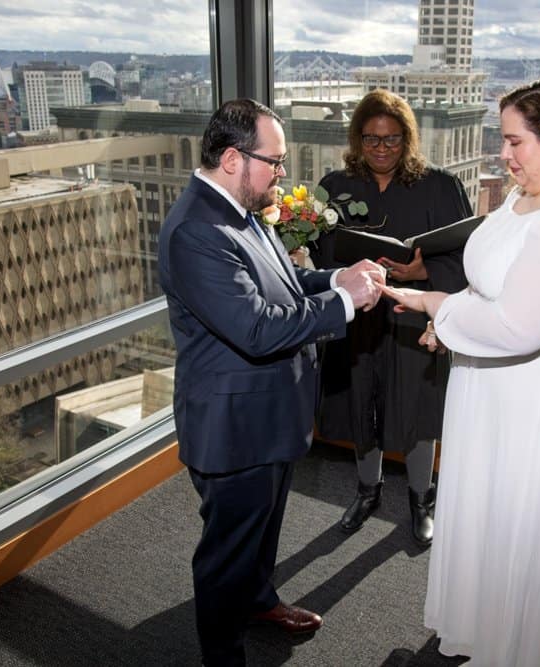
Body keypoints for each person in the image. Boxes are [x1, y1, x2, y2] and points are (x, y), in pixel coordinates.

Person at [381, 77, 540, 665]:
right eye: (502, 140)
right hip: (494, 386)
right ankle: (484, 634)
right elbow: (495, 287)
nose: (504, 155)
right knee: (491, 520)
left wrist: (436, 307)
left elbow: (519, 326)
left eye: (517, 143)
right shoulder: (521, 199)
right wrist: (457, 321)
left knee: (526, 533)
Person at [157, 98, 385, 667]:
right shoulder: (196, 230)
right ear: (233, 158)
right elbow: (257, 328)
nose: (283, 174)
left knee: (262, 533)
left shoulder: (239, 211)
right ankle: (224, 657)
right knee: (225, 557)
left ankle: (258, 601)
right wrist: (345, 303)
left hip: (269, 418)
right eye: (275, 161)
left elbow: (282, 283)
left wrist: (336, 277)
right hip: (234, 432)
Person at [313, 89, 472, 546]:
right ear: (357, 139)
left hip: (413, 318)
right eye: (371, 139)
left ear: (408, 139)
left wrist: (424, 270)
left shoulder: (440, 186)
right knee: (363, 405)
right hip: (358, 320)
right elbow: (326, 257)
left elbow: (466, 258)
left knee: (417, 410)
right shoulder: (335, 187)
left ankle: (422, 499)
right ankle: (368, 491)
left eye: (393, 140)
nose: (382, 149)